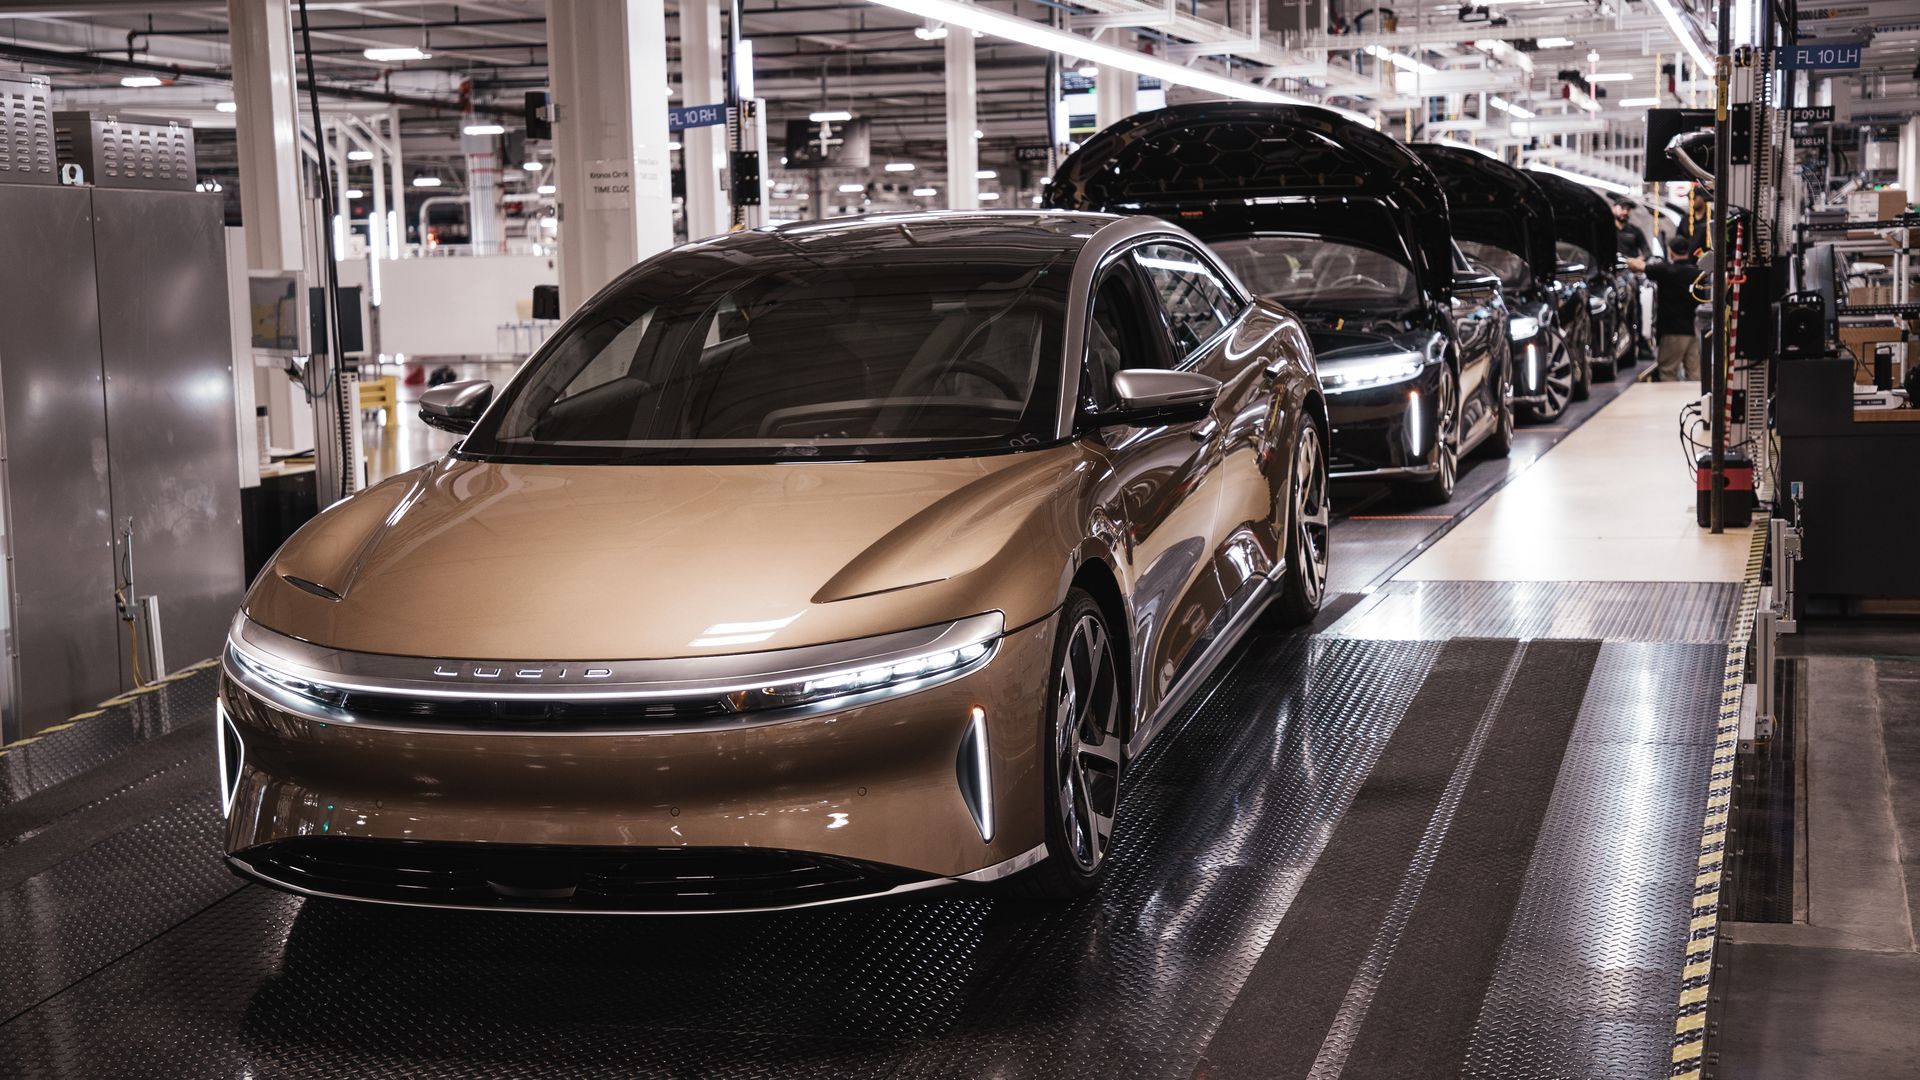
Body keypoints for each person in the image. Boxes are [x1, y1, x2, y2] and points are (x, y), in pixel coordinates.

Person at [1626, 233, 1704, 382]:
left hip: (1672, 333)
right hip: (1694, 332)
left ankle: (1671, 399)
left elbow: (1638, 266)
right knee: (1695, 376)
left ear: (1671, 252)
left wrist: (1628, 259)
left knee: (1668, 372)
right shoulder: (1697, 273)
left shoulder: (1665, 271)